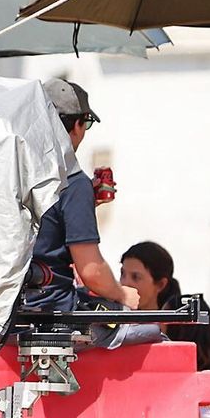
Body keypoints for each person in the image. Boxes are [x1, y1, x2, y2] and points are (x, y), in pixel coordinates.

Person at [21, 79, 138, 314]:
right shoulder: (73, 183)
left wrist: (85, 204)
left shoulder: (15, 170)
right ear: (77, 125)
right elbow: (91, 271)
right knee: (151, 332)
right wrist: (122, 293)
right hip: (52, 314)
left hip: (1, 316)